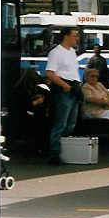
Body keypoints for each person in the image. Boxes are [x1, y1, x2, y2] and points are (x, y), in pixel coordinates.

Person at [45, 26, 82, 164]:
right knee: (61, 123)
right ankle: (55, 153)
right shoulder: (56, 53)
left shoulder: (72, 52)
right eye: (75, 36)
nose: (77, 38)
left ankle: (64, 151)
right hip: (64, 89)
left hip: (74, 89)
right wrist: (65, 85)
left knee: (71, 123)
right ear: (66, 36)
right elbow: (50, 72)